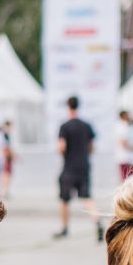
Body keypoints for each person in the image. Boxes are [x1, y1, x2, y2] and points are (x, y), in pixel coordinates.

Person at [53, 96, 99, 240]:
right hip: (84, 166)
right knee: (87, 197)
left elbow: (62, 147)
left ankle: (65, 228)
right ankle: (97, 221)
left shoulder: (65, 126)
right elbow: (92, 146)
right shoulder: (86, 125)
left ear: (68, 106)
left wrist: (63, 153)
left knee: (65, 199)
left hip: (69, 168)